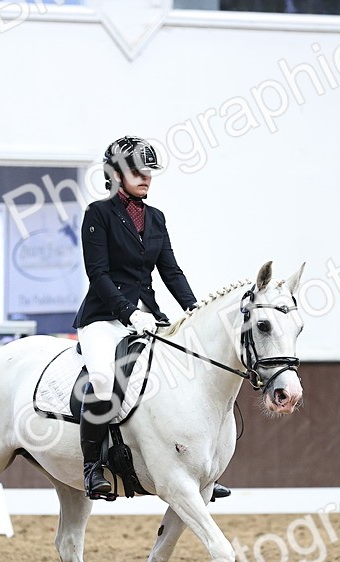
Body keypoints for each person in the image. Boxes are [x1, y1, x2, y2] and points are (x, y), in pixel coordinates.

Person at [72, 135, 230, 501]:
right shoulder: (98, 214)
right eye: (137, 171)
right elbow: (99, 274)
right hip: (103, 319)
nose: (146, 178)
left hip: (148, 316)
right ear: (115, 173)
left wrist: (195, 312)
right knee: (103, 382)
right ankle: (93, 467)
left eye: (149, 173)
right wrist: (127, 313)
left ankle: (197, 470)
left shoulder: (155, 218)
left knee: (188, 372)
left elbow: (170, 272)